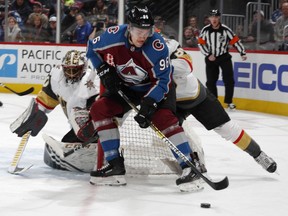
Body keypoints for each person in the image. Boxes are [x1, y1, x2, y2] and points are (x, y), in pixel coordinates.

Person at [84, 5, 204, 192]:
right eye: (139, 30)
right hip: (127, 87)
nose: (143, 36)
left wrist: (149, 103)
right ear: (129, 28)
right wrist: (102, 69)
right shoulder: (111, 36)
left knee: (162, 119)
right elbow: (91, 49)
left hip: (155, 88)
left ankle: (189, 166)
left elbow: (163, 81)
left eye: (147, 31)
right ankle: (115, 165)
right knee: (99, 109)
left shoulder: (157, 46)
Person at [164, 38, 277, 175]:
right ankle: (192, 162)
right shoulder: (138, 53)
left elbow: (186, 65)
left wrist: (159, 66)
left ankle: (258, 154)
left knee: (228, 129)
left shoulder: (167, 45)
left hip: (196, 96)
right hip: (171, 101)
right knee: (170, 130)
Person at [10, 50, 100, 172]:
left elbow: (102, 110)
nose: (72, 74)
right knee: (68, 142)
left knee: (83, 139)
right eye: (68, 70)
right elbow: (45, 101)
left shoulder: (92, 81)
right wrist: (35, 115)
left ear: (83, 68)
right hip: (76, 125)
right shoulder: (57, 78)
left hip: (93, 124)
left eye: (75, 70)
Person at [198, 9, 247, 110]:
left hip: (224, 57)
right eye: (212, 17)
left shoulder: (225, 30)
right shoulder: (205, 30)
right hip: (211, 58)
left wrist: (242, 52)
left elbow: (235, 41)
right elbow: (201, 44)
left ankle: (229, 102)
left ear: (219, 17)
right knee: (211, 81)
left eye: (216, 17)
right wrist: (208, 54)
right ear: (209, 18)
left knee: (229, 80)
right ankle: (214, 102)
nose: (214, 19)